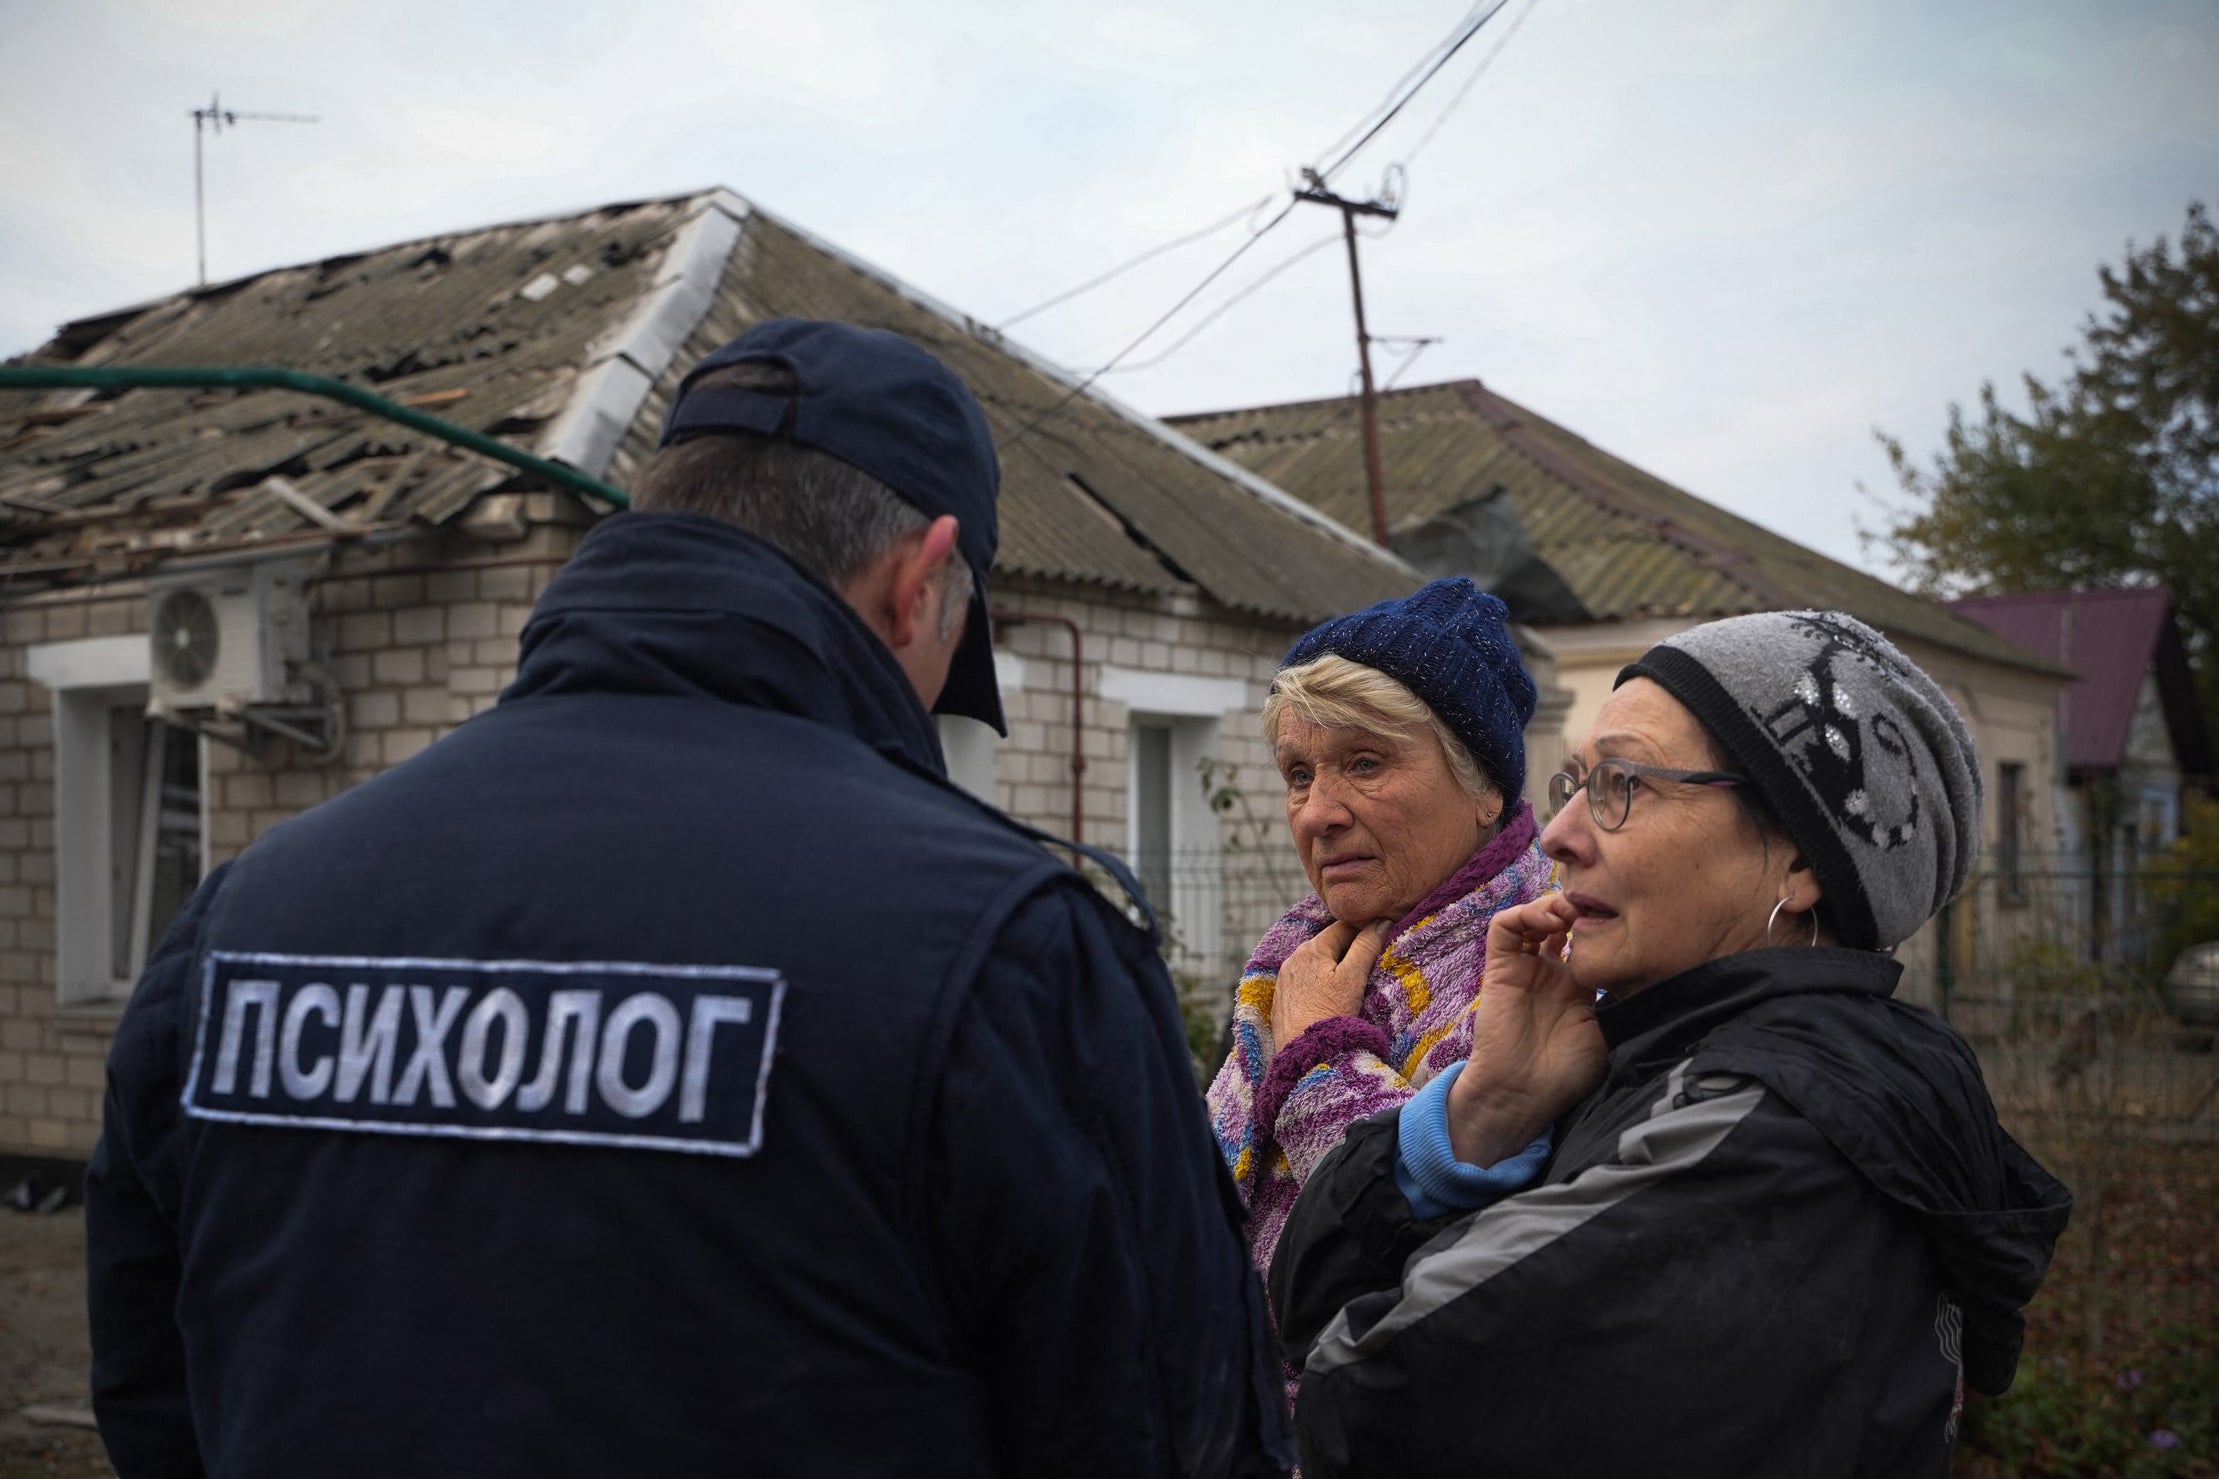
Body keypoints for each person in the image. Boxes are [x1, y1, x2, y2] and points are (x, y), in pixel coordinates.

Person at [84, 319, 1293, 1479]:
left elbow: (157, 1398)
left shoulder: (240, 922)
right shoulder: (1010, 954)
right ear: (917, 582)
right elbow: (1161, 1435)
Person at [1270, 609, 2073, 1479]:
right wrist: (1486, 1112)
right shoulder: (1664, 1063)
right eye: (1575, 781)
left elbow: (1358, 1393)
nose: (1558, 834)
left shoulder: (1757, 1138)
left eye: (1623, 786)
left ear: (1798, 860)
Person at [1205, 579, 1551, 1387]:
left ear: (1483, 786)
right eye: (1297, 773)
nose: (1316, 812)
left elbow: (1454, 1276)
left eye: (1363, 763)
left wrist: (1322, 1062)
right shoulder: (1299, 960)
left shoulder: (1543, 970)